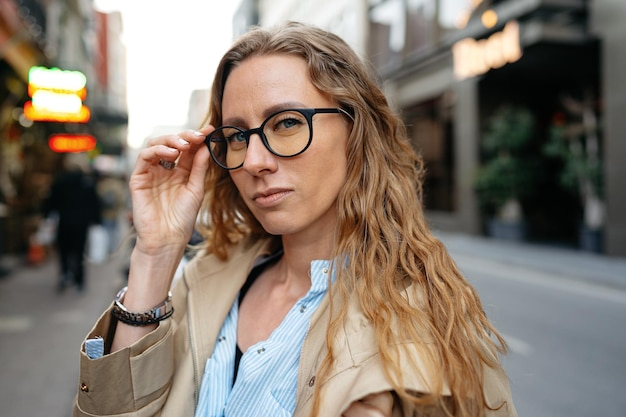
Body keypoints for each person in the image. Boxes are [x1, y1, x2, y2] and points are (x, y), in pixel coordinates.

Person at [73, 22, 517, 417]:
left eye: (286, 123)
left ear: (356, 131)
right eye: (238, 135)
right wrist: (156, 254)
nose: (254, 161)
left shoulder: (421, 326)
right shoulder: (200, 283)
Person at [43, 152, 101, 292]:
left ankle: (64, 274)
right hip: (82, 223)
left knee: (64, 251)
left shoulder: (60, 180)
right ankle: (79, 280)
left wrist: (47, 216)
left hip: (64, 222)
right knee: (79, 251)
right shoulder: (87, 182)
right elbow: (95, 203)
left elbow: (51, 202)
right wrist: (96, 220)